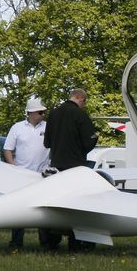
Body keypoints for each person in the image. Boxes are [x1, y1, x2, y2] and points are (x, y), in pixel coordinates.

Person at [43, 89, 99, 250]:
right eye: (85, 101)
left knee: (54, 203)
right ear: (81, 99)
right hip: (75, 166)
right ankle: (76, 242)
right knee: (77, 206)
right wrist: (94, 139)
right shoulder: (80, 115)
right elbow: (88, 141)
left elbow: (47, 143)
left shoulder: (53, 114)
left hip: (56, 165)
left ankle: (50, 240)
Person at [4, 97, 52, 249]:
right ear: (31, 113)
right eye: (40, 112)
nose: (43, 115)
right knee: (18, 210)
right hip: (20, 176)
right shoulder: (17, 128)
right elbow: (8, 149)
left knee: (44, 210)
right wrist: (13, 168)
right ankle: (16, 242)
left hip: (42, 176)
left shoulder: (48, 127)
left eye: (43, 112)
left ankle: (46, 243)